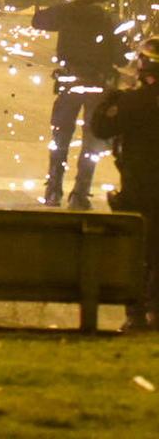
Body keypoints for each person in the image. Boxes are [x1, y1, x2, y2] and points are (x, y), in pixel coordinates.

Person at [33, 0, 122, 210]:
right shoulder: (110, 19)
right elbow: (122, 58)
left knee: (60, 138)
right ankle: (80, 195)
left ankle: (53, 190)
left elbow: (38, 20)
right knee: (91, 143)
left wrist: (67, 5)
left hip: (69, 82)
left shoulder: (66, 12)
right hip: (97, 85)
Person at [91, 37, 159, 331]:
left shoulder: (133, 101)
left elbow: (102, 128)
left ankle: (136, 313)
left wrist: (109, 99)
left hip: (139, 188)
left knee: (139, 254)